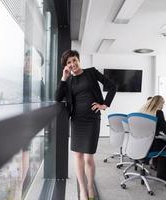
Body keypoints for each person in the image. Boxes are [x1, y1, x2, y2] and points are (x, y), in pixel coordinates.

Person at [55, 50, 116, 200]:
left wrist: (104, 104)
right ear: (66, 66)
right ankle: (82, 189)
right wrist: (63, 78)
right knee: (78, 156)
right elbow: (57, 97)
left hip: (92, 119)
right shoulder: (68, 81)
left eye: (74, 60)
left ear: (78, 60)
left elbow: (112, 86)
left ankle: (90, 185)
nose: (72, 64)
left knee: (89, 157)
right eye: (68, 63)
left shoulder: (91, 72)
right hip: (76, 120)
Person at [140, 95, 166, 181]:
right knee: (165, 145)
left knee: (162, 142)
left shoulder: (143, 112)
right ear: (159, 103)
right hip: (151, 144)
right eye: (162, 103)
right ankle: (163, 174)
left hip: (142, 143)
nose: (163, 105)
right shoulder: (158, 112)